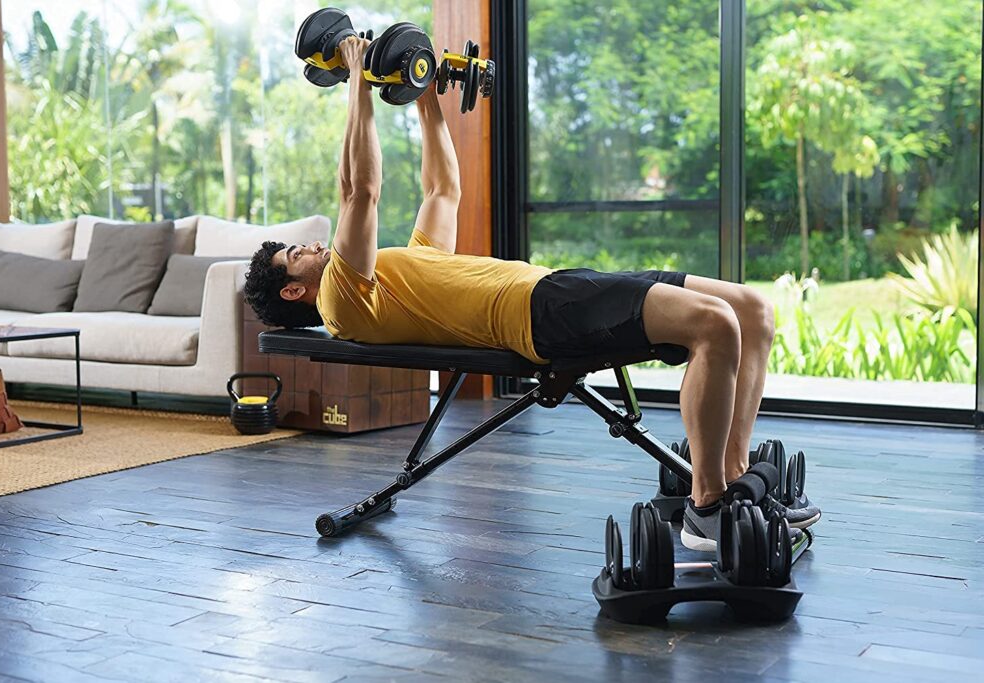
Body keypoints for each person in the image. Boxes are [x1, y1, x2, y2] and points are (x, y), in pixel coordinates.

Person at [244, 36, 819, 551]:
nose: (311, 245)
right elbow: (360, 190)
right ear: (294, 291)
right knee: (715, 324)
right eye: (295, 253)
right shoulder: (341, 300)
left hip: (553, 288)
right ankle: (708, 507)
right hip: (539, 315)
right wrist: (357, 79)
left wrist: (426, 97)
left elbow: (443, 190)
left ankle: (734, 477)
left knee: (753, 310)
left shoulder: (392, 274)